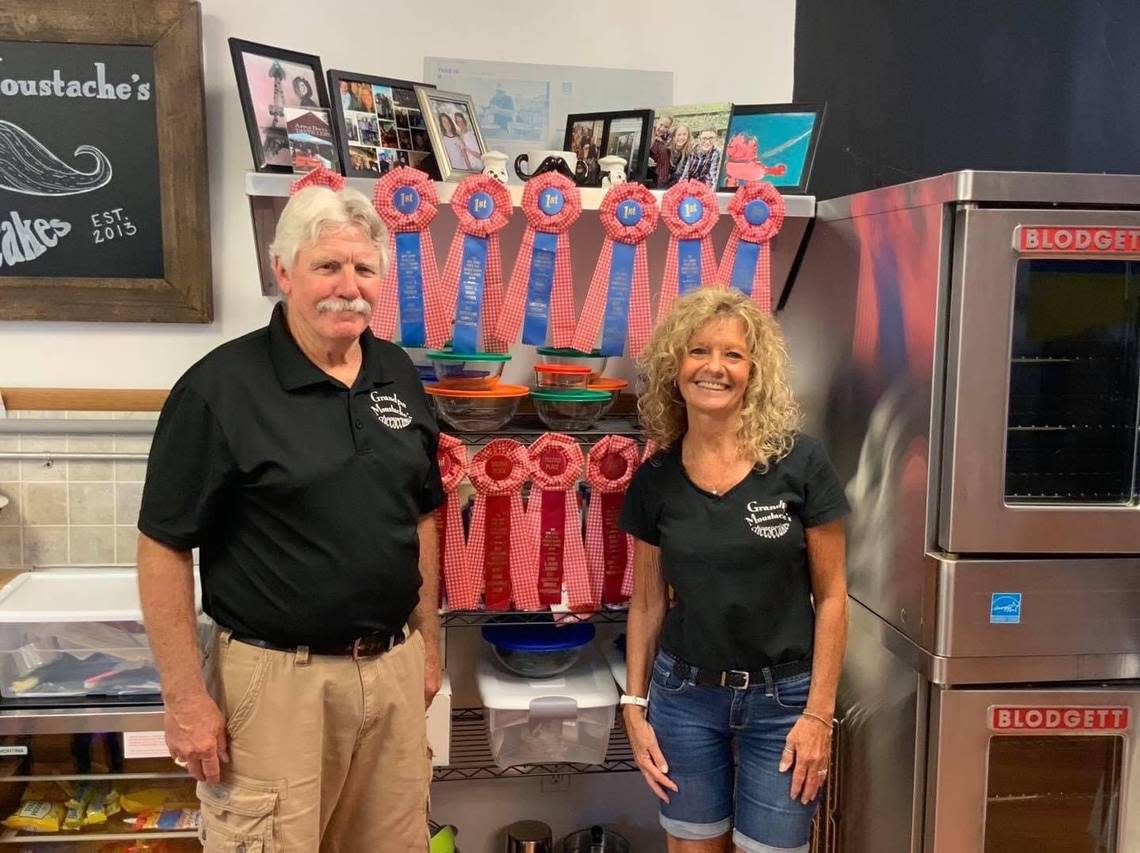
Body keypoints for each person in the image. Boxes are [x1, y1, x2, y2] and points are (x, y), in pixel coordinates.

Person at [137, 183, 443, 852]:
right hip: (276, 685)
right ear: (283, 272)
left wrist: (429, 643)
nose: (348, 286)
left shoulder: (397, 373)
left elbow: (422, 513)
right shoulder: (219, 388)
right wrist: (185, 698)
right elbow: (163, 545)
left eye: (363, 269)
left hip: (391, 671)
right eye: (327, 266)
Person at [620, 288, 848, 853]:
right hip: (684, 697)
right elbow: (647, 603)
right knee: (694, 846)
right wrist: (634, 706)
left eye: (733, 355)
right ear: (676, 367)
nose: (714, 368)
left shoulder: (801, 464)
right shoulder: (656, 480)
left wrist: (819, 715)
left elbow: (835, 596)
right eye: (699, 351)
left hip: (785, 705)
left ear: (754, 372)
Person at [649, 114, 674, 188]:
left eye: (666, 127)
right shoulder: (649, 132)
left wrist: (663, 142)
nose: (662, 129)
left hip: (663, 171)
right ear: (657, 122)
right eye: (661, 125)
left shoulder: (668, 137)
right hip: (651, 170)